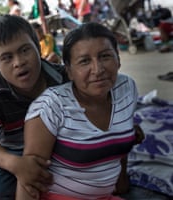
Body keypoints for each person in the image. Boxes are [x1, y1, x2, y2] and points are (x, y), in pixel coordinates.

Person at [16, 22, 141, 200]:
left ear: (118, 60)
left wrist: (121, 185)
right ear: (69, 71)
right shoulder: (51, 106)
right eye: (84, 61)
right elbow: (29, 178)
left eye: (105, 56)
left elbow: (118, 138)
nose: (98, 70)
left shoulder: (126, 88)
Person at [0, 15, 69, 200]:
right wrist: (17, 165)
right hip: (12, 150)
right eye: (6, 57)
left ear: (38, 48)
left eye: (24, 50)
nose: (19, 62)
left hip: (59, 142)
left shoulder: (63, 78)